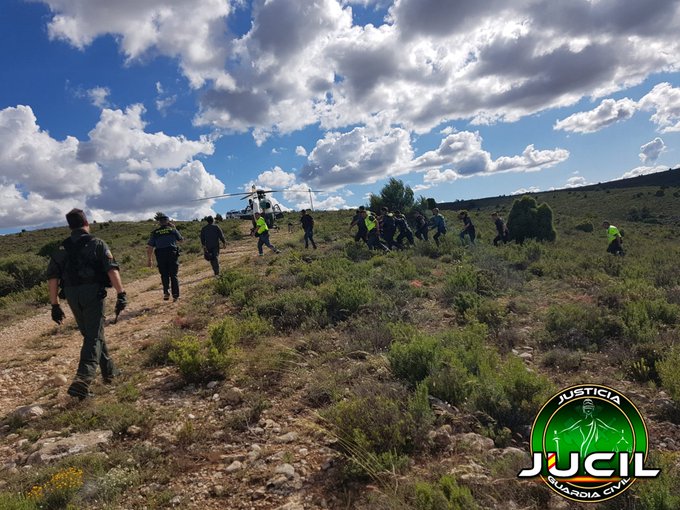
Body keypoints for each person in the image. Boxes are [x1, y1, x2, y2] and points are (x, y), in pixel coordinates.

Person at [47, 208, 127, 400]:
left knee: (92, 333)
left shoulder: (61, 248)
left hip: (73, 295)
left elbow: (52, 277)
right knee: (93, 336)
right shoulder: (97, 243)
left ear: (70, 227)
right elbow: (111, 270)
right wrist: (121, 293)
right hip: (92, 292)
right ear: (86, 223)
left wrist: (55, 305)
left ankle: (110, 372)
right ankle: (82, 382)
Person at [147, 213, 183, 301]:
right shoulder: (172, 230)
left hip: (160, 255)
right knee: (173, 275)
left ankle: (166, 291)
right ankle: (175, 295)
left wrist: (149, 259)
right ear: (168, 222)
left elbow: (150, 247)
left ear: (159, 223)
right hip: (172, 254)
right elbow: (181, 240)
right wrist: (174, 228)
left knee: (164, 274)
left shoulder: (155, 233)